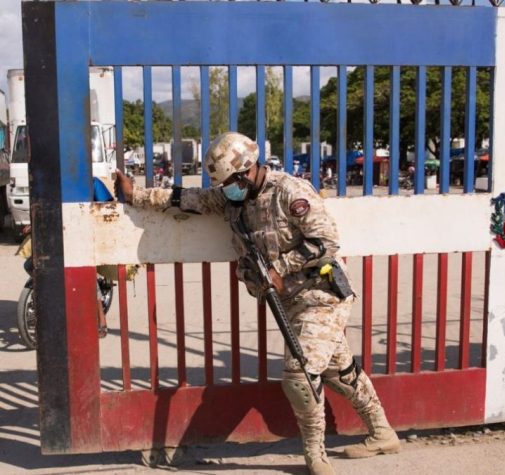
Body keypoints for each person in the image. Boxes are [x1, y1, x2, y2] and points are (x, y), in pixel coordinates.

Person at [115, 132, 400, 475]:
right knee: (339, 371)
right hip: (289, 302)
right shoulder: (232, 199)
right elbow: (187, 198)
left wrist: (280, 268)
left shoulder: (290, 192)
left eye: (233, 180)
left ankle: (315, 455)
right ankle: (383, 432)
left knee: (299, 376)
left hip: (321, 296)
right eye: (224, 183)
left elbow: (326, 241)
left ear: (249, 169)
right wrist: (137, 195)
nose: (228, 189)